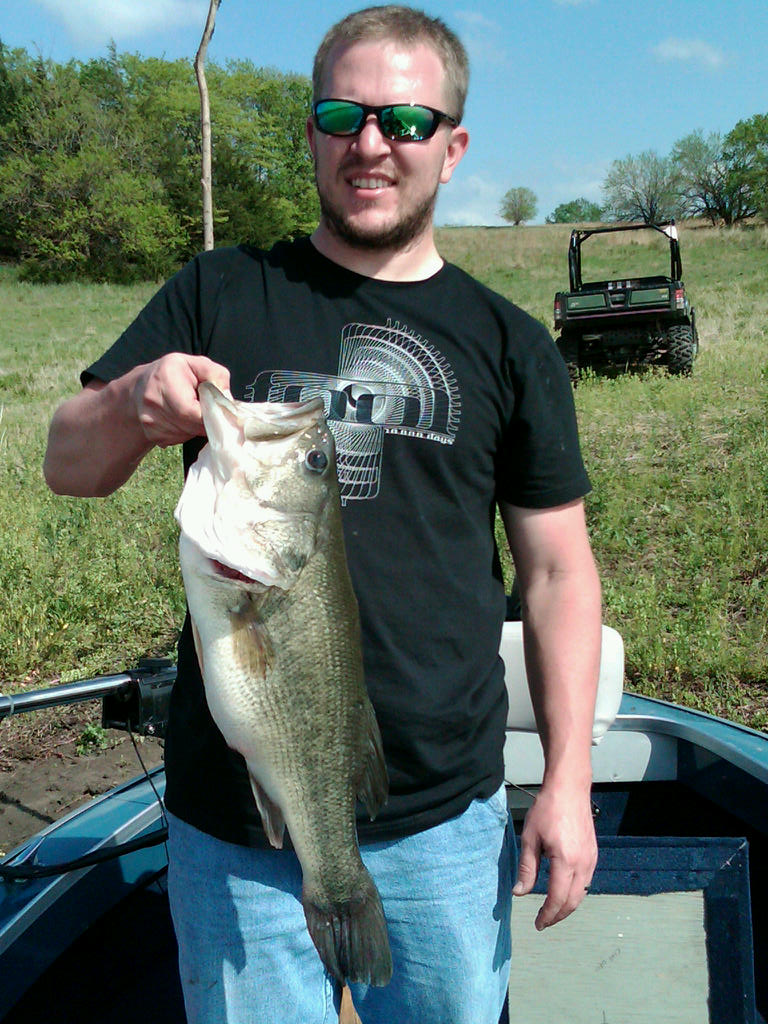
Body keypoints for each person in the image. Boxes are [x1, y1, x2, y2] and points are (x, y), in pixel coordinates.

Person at [43, 6, 602, 1023]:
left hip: (444, 814)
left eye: (406, 120)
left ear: (454, 145)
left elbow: (559, 571)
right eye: (342, 113)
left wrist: (568, 780)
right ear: (310, 132)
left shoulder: (510, 341)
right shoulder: (219, 289)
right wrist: (132, 400)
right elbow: (67, 465)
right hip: (236, 822)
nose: (371, 143)